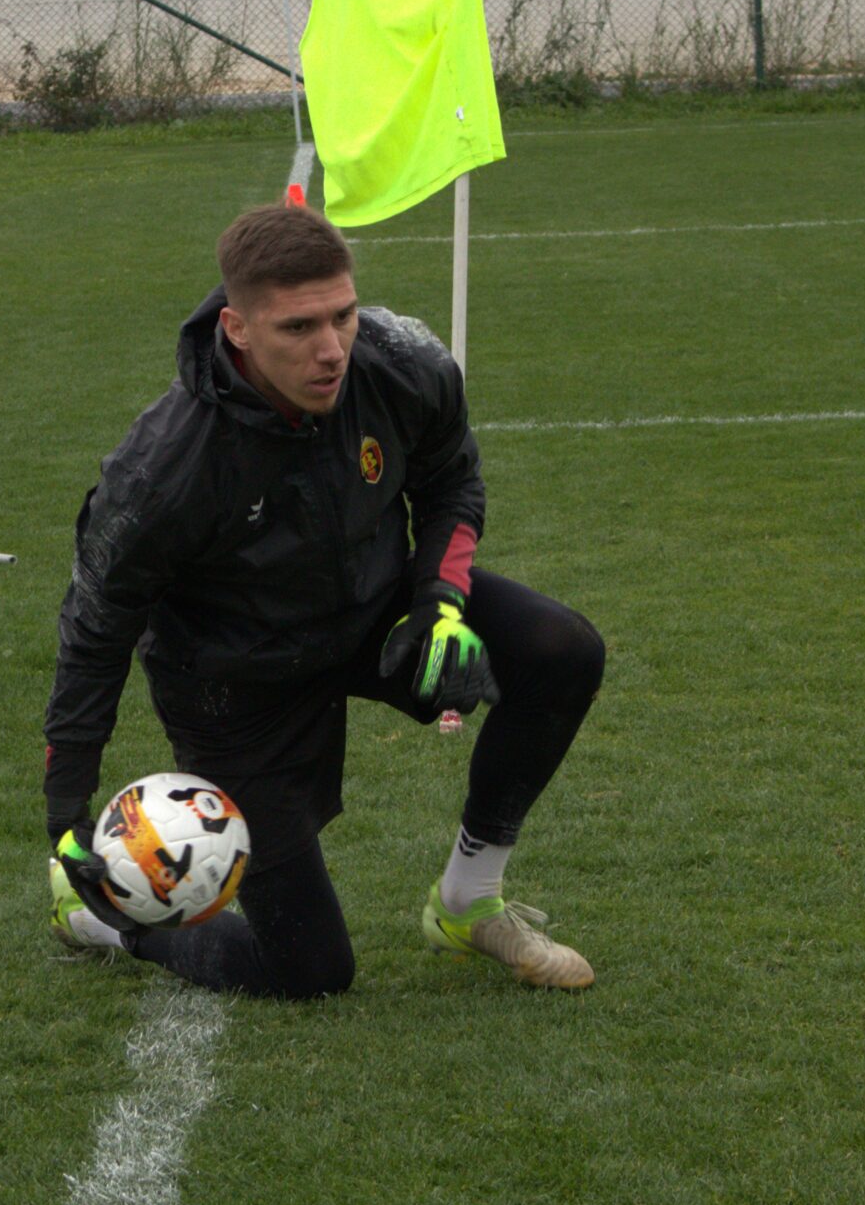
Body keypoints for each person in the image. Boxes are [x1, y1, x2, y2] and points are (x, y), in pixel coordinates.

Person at [40, 200, 607, 1000]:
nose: (332, 348)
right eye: (299, 327)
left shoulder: (402, 363)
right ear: (237, 328)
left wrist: (438, 603)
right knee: (310, 971)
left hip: (372, 613)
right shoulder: (161, 472)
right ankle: (105, 919)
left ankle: (468, 900)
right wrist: (67, 810)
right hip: (238, 683)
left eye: (342, 314)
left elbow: (452, 481)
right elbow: (94, 634)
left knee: (562, 650)